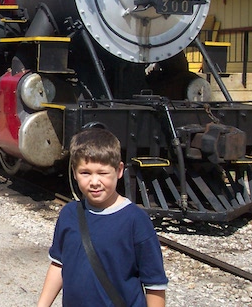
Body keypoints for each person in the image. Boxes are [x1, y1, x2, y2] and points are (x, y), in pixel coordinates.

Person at [38, 128, 168, 307]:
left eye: (103, 173)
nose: (94, 182)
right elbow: (58, 265)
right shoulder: (69, 214)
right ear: (74, 173)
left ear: (119, 170)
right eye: (85, 173)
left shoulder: (135, 221)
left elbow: (155, 285)